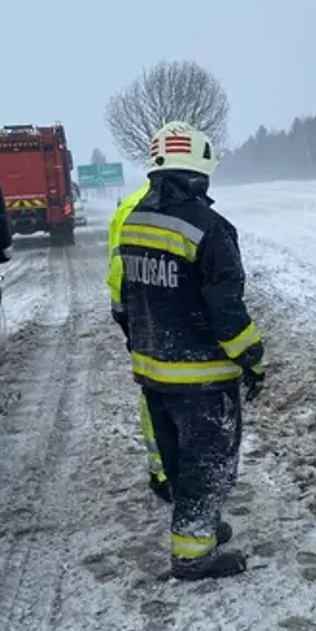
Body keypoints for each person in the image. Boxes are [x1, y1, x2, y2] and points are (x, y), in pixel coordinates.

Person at [113, 121, 265, 581]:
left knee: (179, 458)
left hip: (152, 371)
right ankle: (193, 554)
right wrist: (251, 357)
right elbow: (226, 310)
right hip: (202, 377)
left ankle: (197, 525)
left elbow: (122, 300)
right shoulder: (212, 230)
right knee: (208, 460)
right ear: (202, 171)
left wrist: (142, 343)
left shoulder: (135, 221)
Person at [106, 178, 171, 503]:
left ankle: (161, 469)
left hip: (138, 316)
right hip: (156, 315)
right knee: (163, 392)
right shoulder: (153, 208)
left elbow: (118, 269)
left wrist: (126, 320)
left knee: (154, 389)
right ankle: (165, 469)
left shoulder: (129, 205)